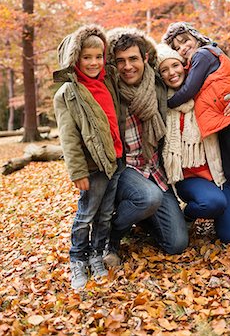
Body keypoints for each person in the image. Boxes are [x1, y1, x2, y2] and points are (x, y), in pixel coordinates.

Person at [162, 22, 230, 239]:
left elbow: (193, 90)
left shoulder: (203, 55)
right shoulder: (193, 71)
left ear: (196, 37)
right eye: (177, 47)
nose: (183, 48)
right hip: (194, 173)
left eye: (185, 40)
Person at [103, 27, 189, 266]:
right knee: (148, 197)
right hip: (124, 171)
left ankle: (141, 217)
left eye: (133, 59)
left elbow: (192, 72)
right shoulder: (110, 90)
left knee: (177, 244)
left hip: (155, 168)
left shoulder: (158, 86)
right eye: (120, 61)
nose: (127, 66)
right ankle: (111, 233)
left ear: (145, 59)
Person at [53, 25, 123, 289]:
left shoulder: (108, 81)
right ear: (75, 59)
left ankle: (96, 254)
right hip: (91, 167)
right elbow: (68, 138)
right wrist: (78, 171)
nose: (94, 62)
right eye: (87, 57)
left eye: (99, 56)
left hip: (113, 161)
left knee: (105, 215)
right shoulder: (68, 93)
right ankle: (77, 259)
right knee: (86, 215)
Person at [156, 43, 230, 243]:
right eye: (164, 70)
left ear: (185, 67)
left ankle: (225, 205)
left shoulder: (203, 93)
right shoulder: (161, 105)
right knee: (212, 203)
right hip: (189, 178)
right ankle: (188, 214)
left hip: (219, 174)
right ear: (159, 76)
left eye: (175, 66)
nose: (172, 72)